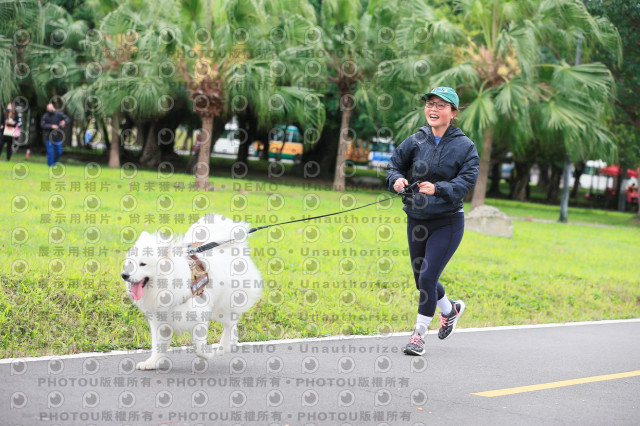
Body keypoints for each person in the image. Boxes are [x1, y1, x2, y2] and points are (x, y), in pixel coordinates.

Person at [386, 87, 479, 356]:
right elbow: (394, 165)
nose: (433, 109)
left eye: (441, 105)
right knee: (422, 280)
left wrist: (438, 189)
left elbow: (466, 181)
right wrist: (396, 180)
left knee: (427, 276)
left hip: (447, 222)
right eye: (430, 104)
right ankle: (450, 310)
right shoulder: (416, 139)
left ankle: (418, 336)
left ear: (453, 112)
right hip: (416, 219)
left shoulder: (466, 147)